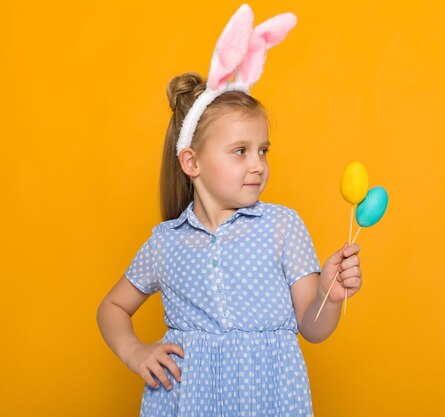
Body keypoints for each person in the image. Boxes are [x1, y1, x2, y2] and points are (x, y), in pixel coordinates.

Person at [96, 5, 362, 416]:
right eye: (240, 151)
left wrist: (330, 293)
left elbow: (313, 329)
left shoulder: (281, 226)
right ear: (192, 163)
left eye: (262, 150)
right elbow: (111, 308)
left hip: (270, 398)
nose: (257, 164)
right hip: (187, 399)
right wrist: (134, 352)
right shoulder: (166, 243)